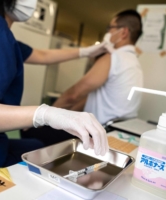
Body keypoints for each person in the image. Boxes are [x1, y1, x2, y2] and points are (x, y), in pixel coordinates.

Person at [0, 0, 109, 169]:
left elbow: (42, 55)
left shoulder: (0, 33)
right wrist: (45, 114)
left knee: (35, 145)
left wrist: (85, 51)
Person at [21, 9, 143, 146]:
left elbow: (74, 94)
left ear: (124, 32)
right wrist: (69, 114)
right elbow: (89, 97)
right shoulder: (135, 63)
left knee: (28, 130)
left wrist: (48, 118)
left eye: (110, 28)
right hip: (123, 128)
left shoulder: (114, 57)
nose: (108, 32)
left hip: (102, 130)